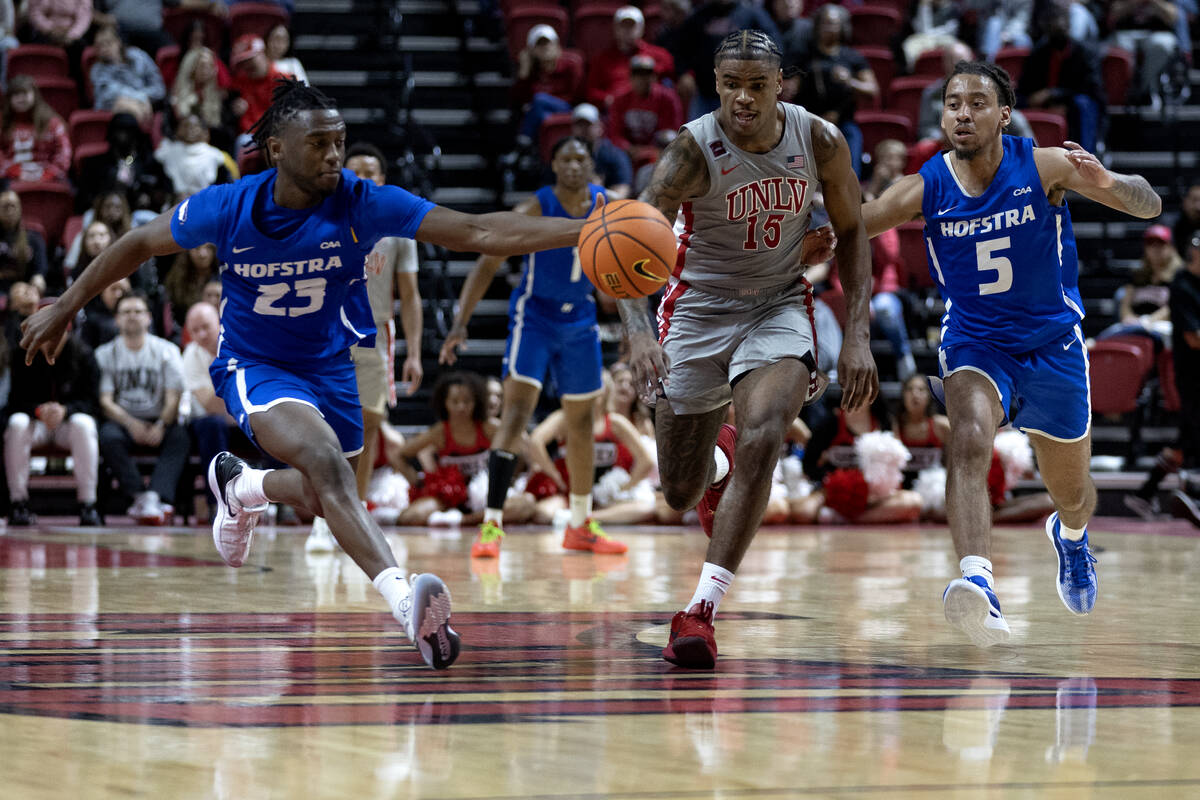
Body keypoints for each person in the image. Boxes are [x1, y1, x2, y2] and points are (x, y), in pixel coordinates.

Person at [21, 79, 598, 671]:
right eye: (318, 143)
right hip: (257, 365)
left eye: (339, 142)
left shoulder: (362, 200)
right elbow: (140, 242)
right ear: (276, 149)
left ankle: (246, 487)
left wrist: (585, 229)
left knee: (332, 494)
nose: (333, 155)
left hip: (330, 366)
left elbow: (480, 231)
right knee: (325, 468)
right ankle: (407, 606)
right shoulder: (230, 206)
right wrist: (66, 305)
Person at [860, 60, 1161, 647]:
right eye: (952, 103)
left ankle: (1071, 537)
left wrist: (1106, 184)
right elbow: (850, 229)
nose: (963, 113)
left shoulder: (1044, 164)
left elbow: (1147, 204)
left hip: (1053, 346)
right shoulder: (926, 187)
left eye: (976, 103)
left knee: (1073, 493)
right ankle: (980, 583)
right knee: (970, 433)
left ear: (1002, 114)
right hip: (976, 342)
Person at [617, 30, 878, 669]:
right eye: (731, 84)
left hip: (777, 303)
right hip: (697, 309)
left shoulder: (818, 140)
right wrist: (639, 329)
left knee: (764, 433)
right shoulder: (690, 152)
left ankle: (701, 610)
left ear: (780, 84)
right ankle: (716, 466)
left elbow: (851, 228)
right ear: (715, 83)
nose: (743, 97)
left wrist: (860, 335)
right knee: (677, 491)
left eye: (756, 85)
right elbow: (625, 240)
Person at [441, 135, 628, 558]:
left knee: (582, 422)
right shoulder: (535, 207)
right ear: (554, 166)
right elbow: (487, 260)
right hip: (535, 317)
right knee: (516, 415)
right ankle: (491, 524)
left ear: (591, 166)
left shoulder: (610, 205)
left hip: (580, 318)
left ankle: (580, 524)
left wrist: (635, 326)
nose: (574, 164)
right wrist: (460, 323)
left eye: (581, 157)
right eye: (566, 157)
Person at [305, 141, 426, 552]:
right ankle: (326, 516)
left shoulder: (397, 227)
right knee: (324, 428)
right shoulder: (319, 216)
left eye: (372, 170)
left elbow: (409, 295)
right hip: (325, 331)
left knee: (367, 424)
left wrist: (414, 352)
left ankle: (352, 508)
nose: (364, 176)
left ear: (383, 179)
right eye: (355, 169)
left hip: (375, 331)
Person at [391, 370, 534, 527]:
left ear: (477, 402)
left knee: (526, 504)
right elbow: (399, 455)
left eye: (467, 401)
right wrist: (417, 481)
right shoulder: (439, 432)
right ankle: (464, 518)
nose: (461, 407)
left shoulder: (489, 428)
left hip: (485, 496)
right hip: (448, 498)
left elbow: (519, 449)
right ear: (444, 403)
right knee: (410, 517)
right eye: (455, 401)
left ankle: (463, 520)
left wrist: (509, 479)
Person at [94, 290, 190, 525]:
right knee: (107, 437)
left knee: (181, 437)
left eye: (138, 311)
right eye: (126, 312)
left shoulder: (167, 350)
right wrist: (131, 424)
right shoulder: (104, 353)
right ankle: (140, 496)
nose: (132, 316)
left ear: (149, 317)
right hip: (123, 420)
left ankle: (156, 494)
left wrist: (160, 425)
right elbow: (105, 401)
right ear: (117, 319)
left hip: (159, 418)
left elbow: (174, 396)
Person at [4, 327, 101, 526]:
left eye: (55, 332)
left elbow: (93, 402)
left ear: (67, 332)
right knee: (16, 423)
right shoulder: (22, 354)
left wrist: (66, 410)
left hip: (67, 424)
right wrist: (38, 410)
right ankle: (18, 503)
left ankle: (88, 504)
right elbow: (13, 401)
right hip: (36, 423)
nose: (50, 339)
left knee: (84, 424)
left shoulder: (83, 354)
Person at [90, 24, 166, 127]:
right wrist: (141, 98)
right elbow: (111, 94)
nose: (104, 49)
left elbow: (159, 87)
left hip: (147, 102)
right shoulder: (97, 70)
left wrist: (143, 97)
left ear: (118, 42)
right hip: (111, 106)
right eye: (99, 46)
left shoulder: (139, 56)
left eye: (108, 43)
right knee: (126, 105)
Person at [0, 75, 71, 184]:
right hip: (9, 178)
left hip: (49, 177)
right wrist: (15, 172)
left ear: (35, 95)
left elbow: (64, 153)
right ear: (9, 99)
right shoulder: (2, 122)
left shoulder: (52, 122)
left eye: (24, 94)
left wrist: (47, 174)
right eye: (16, 95)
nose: (20, 99)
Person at [0, 189, 49, 296]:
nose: (10, 211)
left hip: (25, 290)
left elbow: (40, 271)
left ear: (20, 208)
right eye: (5, 206)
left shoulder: (34, 237)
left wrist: (38, 280)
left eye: (13, 206)